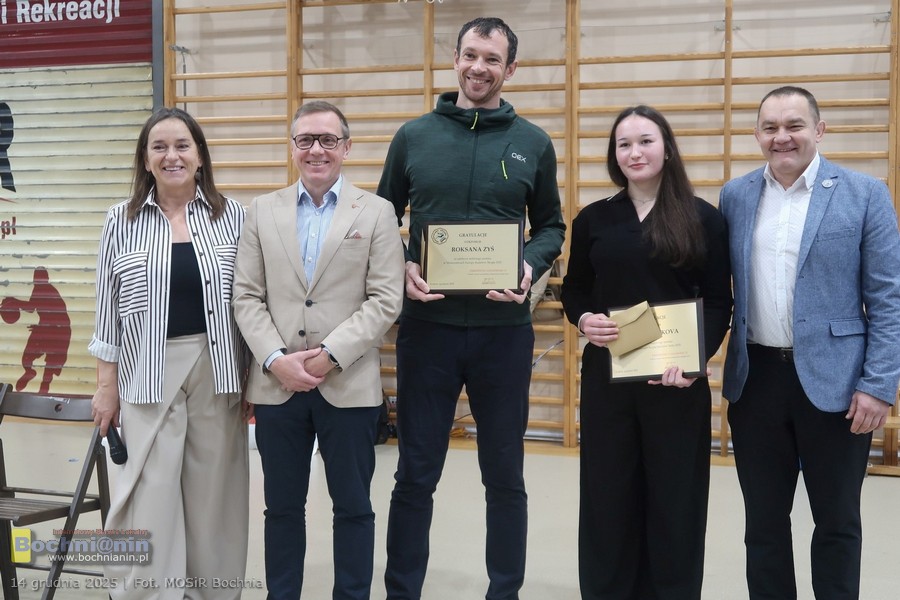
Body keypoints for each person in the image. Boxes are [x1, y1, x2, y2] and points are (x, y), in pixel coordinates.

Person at [378, 17, 566, 600]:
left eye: (492, 59)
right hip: (426, 331)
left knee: (504, 476)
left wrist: (529, 265)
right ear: (455, 59)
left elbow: (551, 226)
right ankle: (402, 591)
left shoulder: (533, 143)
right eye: (470, 55)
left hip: (503, 335)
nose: (478, 68)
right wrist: (403, 263)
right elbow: (382, 218)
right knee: (415, 473)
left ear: (511, 69)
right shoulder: (414, 137)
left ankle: (504, 591)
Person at [719, 85, 900, 599]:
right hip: (756, 381)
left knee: (837, 522)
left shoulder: (864, 194)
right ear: (757, 135)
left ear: (819, 130)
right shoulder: (735, 196)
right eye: (770, 127)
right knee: (763, 525)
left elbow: (888, 298)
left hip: (839, 385)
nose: (782, 137)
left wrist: (879, 384)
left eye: (794, 125)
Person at [232, 100, 405, 600]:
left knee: (353, 507)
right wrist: (274, 359)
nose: (316, 150)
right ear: (292, 148)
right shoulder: (261, 211)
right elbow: (246, 296)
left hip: (347, 384)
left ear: (346, 148)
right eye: (306, 139)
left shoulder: (376, 212)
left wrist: (329, 355)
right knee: (281, 508)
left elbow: (385, 299)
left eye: (328, 140)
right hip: (277, 385)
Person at [560, 105, 732, 599]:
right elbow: (575, 290)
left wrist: (696, 361)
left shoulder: (703, 218)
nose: (634, 152)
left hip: (676, 384)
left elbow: (718, 299)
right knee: (608, 495)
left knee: (675, 498)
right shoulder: (593, 218)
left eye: (645, 141)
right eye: (624, 144)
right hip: (608, 381)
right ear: (614, 154)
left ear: (667, 148)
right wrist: (584, 319)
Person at [89, 107, 249, 599]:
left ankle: (212, 592)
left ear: (200, 156)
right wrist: (105, 387)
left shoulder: (234, 216)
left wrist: (257, 380)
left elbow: (252, 302)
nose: (171, 155)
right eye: (159, 147)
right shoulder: (120, 219)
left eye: (182, 145)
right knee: (151, 491)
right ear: (145, 158)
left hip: (219, 370)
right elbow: (107, 312)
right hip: (146, 373)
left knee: (213, 495)